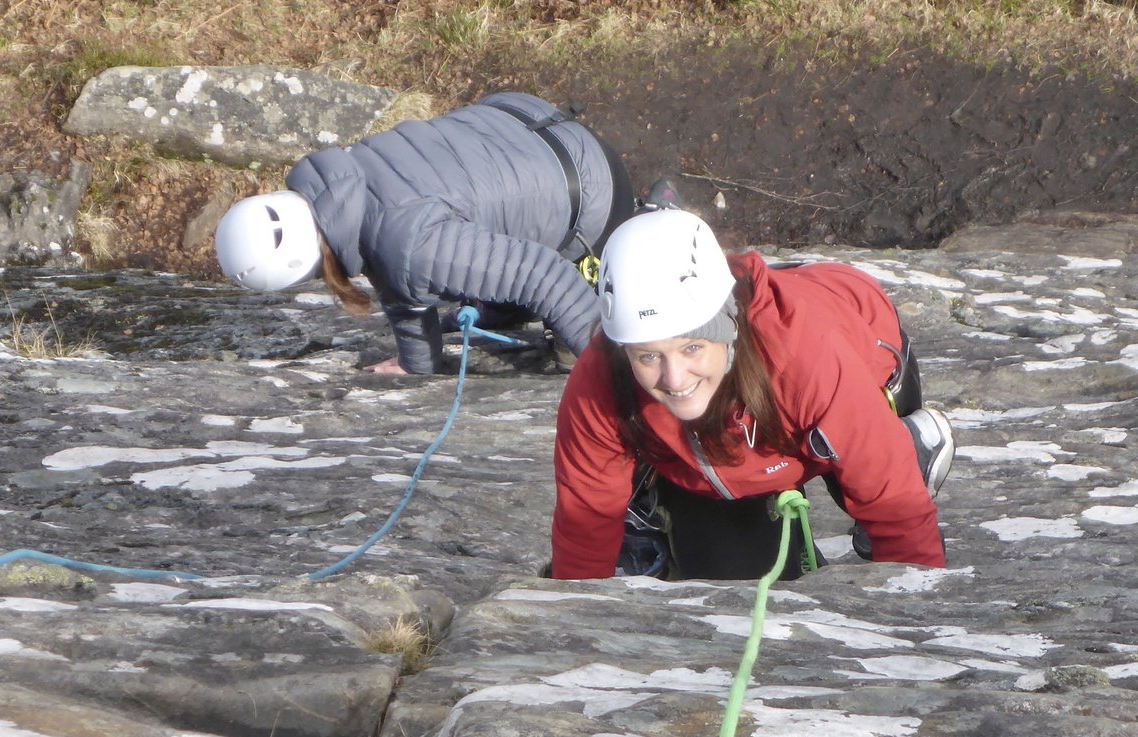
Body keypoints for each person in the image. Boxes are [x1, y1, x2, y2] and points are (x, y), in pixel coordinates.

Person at [550, 208, 955, 581]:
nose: (674, 378)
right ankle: (659, 505)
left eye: (692, 348)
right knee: (738, 586)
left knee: (871, 481)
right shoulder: (599, 382)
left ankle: (906, 447)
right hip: (733, 455)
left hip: (859, 349)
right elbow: (586, 523)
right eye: (648, 355)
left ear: (725, 332)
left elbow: (900, 519)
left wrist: (914, 631)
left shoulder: (806, 354)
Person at [214, 92, 636, 375]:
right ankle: (506, 309)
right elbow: (399, 274)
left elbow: (545, 276)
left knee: (566, 354)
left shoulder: (410, 246)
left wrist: (614, 378)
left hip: (593, 185)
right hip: (526, 120)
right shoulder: (343, 181)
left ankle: (645, 218)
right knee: (471, 260)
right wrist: (414, 363)